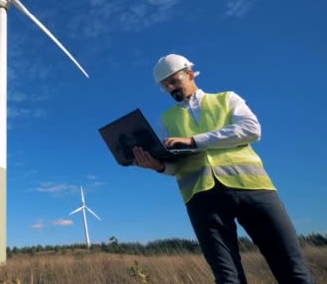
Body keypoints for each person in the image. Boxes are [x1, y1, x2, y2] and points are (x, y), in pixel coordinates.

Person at [133, 54, 313, 284]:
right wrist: (157, 165)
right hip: (201, 198)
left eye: (174, 81)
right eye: (165, 85)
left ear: (189, 74)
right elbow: (172, 166)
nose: (170, 88)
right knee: (227, 277)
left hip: (254, 189)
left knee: (291, 267)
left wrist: (194, 140)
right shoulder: (165, 120)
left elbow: (251, 129)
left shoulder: (227, 99)